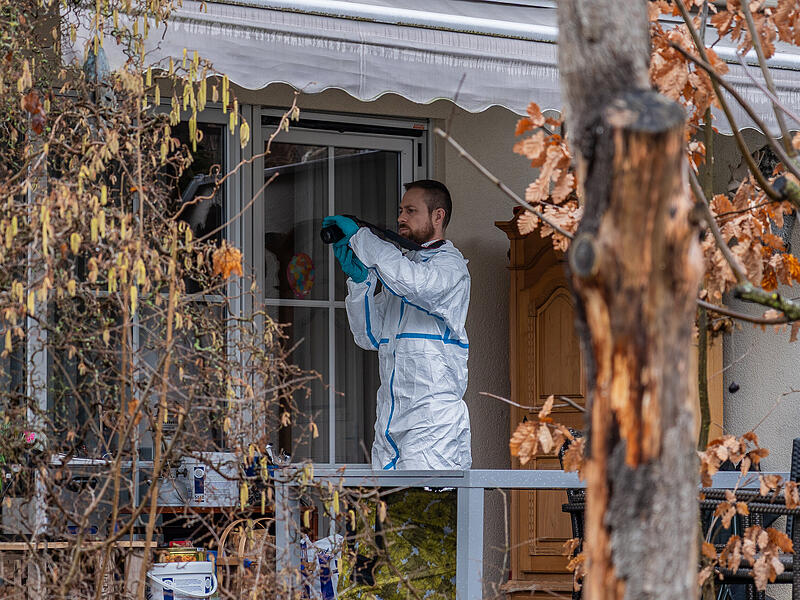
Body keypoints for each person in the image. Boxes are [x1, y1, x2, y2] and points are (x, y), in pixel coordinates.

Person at [323, 180, 472, 470]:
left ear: (438, 216)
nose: (401, 218)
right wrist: (360, 283)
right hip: (390, 421)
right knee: (388, 513)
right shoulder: (404, 273)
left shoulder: (450, 267)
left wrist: (364, 239)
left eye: (410, 210)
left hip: (433, 425)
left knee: (426, 513)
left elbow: (417, 285)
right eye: (400, 210)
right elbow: (369, 336)